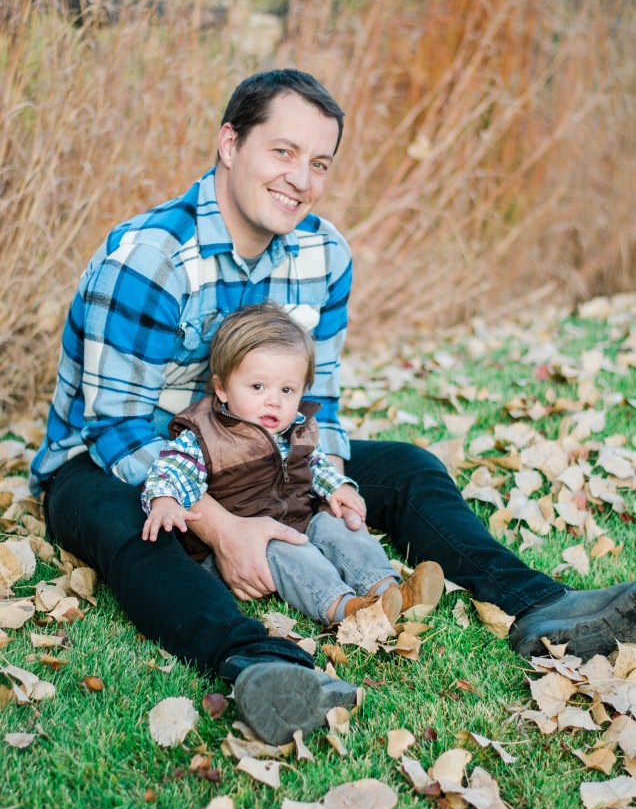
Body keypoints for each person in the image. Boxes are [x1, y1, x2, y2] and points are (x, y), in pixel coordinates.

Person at [30, 68, 636, 744]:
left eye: (319, 163)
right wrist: (223, 526)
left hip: (264, 454)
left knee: (406, 467)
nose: (301, 178)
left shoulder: (323, 254)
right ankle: (260, 665)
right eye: (283, 151)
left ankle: (543, 607)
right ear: (230, 144)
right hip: (115, 462)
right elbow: (114, 428)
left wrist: (336, 483)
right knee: (135, 525)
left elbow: (318, 402)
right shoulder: (152, 259)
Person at [141, 301, 445, 627]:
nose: (274, 400)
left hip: (299, 520)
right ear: (222, 388)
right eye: (258, 387)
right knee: (288, 552)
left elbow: (316, 464)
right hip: (252, 541)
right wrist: (164, 501)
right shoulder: (204, 435)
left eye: (287, 390)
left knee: (338, 524)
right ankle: (347, 610)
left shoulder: (295, 428)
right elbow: (168, 472)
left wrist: (338, 487)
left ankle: (387, 589)